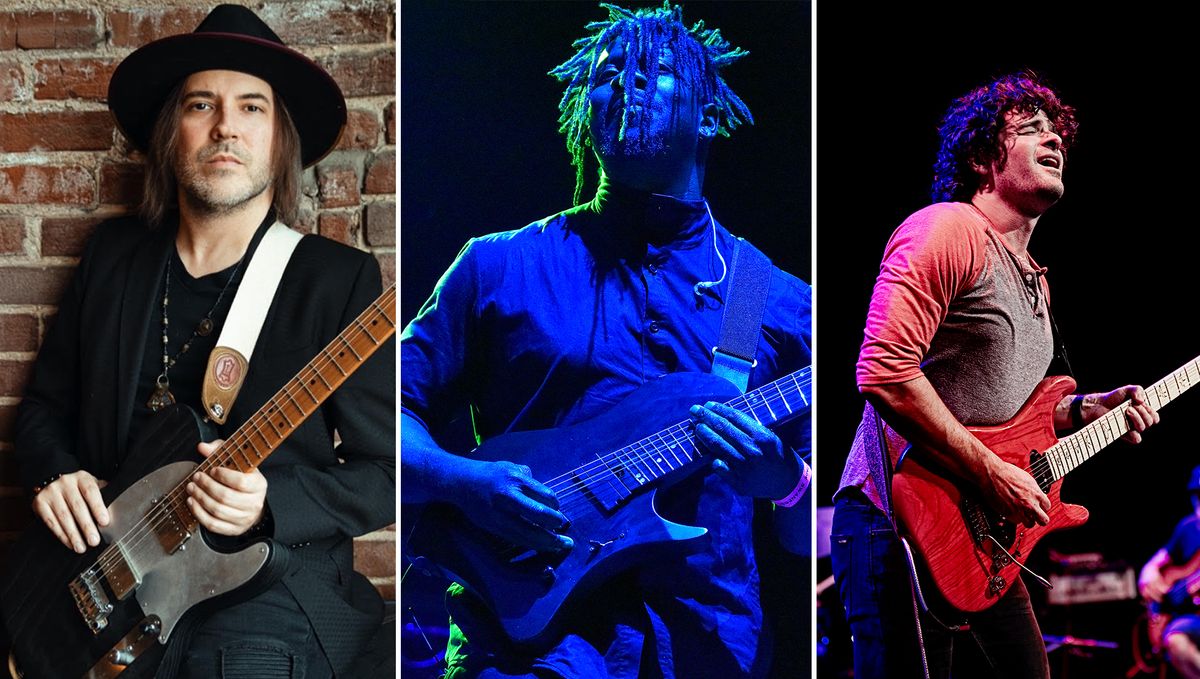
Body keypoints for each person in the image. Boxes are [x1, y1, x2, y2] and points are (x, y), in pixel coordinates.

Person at [400, 3, 812, 678]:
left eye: (653, 71)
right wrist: (464, 480)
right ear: (581, 110)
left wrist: (786, 482)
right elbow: (378, 417)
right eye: (608, 73)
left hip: (706, 648)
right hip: (520, 651)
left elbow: (801, 530)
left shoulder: (771, 300)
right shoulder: (497, 265)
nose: (626, 82)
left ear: (707, 115)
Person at [6, 5, 394, 678]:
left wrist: (272, 500)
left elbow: (387, 474)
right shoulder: (114, 256)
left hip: (257, 593)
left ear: (280, 141)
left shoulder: (338, 280)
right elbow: (43, 407)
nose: (226, 128)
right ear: (171, 132)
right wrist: (54, 472)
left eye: (252, 108)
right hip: (96, 578)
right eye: (201, 104)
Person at [830, 72, 1160, 679]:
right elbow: (882, 370)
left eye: (1056, 131)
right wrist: (992, 473)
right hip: (897, 523)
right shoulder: (946, 230)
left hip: (983, 536)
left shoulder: (1035, 277)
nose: (1054, 140)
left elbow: (1018, 409)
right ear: (983, 158)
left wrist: (1088, 409)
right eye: (1031, 129)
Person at [1139, 466, 1200, 678]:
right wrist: (1148, 577)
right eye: (1197, 497)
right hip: (1192, 619)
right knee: (1175, 640)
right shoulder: (1189, 526)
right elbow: (1154, 564)